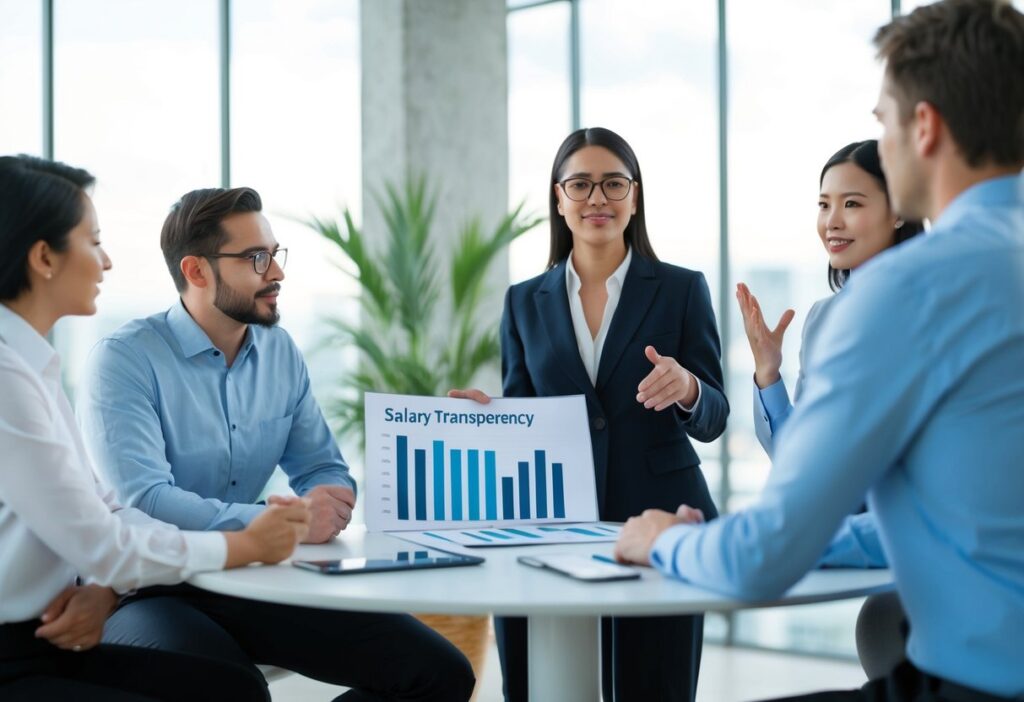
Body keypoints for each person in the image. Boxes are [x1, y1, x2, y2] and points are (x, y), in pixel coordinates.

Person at [615, 1, 1024, 700]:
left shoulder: (905, 292)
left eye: (883, 122)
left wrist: (663, 540)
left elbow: (765, 560)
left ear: (922, 127)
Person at [76, 186, 476, 701]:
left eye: (274, 254)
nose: (277, 273)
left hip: (257, 579)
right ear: (197, 272)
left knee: (439, 672)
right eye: (256, 258)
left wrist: (329, 497)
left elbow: (322, 465)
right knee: (237, 692)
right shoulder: (125, 359)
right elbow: (146, 500)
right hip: (152, 585)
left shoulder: (279, 350)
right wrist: (273, 524)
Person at [0, 154, 311, 701]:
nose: (107, 261)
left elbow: (107, 511)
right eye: (93, 241)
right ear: (44, 257)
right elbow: (106, 541)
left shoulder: (32, 365)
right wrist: (246, 543)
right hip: (12, 656)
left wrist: (102, 586)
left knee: (233, 690)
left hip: (46, 634)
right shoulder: (10, 377)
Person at [453, 126, 728, 702]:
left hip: (659, 517)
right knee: (544, 682)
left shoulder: (681, 289)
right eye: (580, 185)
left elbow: (715, 416)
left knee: (654, 686)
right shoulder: (523, 300)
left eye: (613, 184)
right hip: (550, 520)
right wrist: (490, 415)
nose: (597, 199)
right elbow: (526, 414)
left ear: (635, 196)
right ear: (559, 199)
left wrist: (687, 389)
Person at [738, 139, 924, 457]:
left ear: (899, 211)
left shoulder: (928, 313)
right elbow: (799, 458)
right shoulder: (822, 319)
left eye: (851, 204)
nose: (832, 222)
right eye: (824, 205)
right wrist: (768, 373)